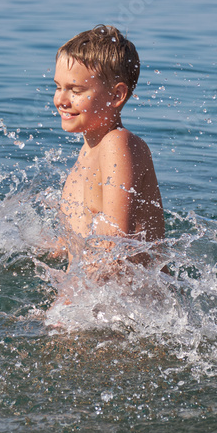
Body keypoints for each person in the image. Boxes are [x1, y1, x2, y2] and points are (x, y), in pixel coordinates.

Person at [48, 24, 165, 278]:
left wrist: (65, 303)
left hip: (136, 307)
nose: (61, 100)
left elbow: (115, 248)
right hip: (90, 299)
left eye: (76, 90)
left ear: (116, 95)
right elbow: (78, 240)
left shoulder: (117, 145)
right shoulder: (87, 152)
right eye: (58, 87)